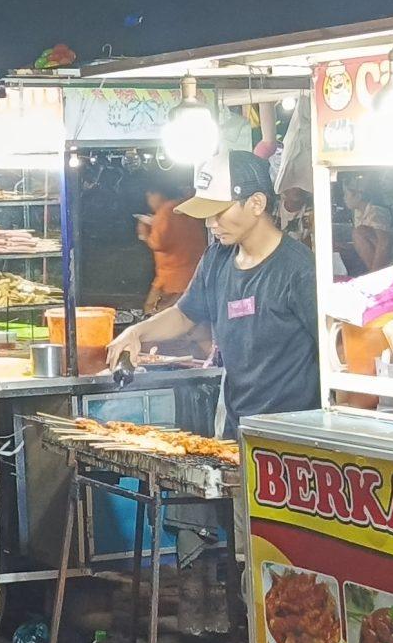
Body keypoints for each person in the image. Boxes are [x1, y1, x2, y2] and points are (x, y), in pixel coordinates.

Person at [105, 151, 320, 435]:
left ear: (256, 203)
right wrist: (136, 333)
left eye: (219, 212)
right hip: (236, 428)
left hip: (290, 436)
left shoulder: (298, 270)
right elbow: (184, 314)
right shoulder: (217, 259)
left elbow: (335, 351)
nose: (210, 223)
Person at [136, 188, 208, 310]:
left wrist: (144, 233)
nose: (149, 201)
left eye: (149, 196)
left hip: (173, 279)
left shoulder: (165, 212)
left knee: (155, 311)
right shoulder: (184, 207)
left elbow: (158, 243)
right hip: (194, 273)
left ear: (157, 194)